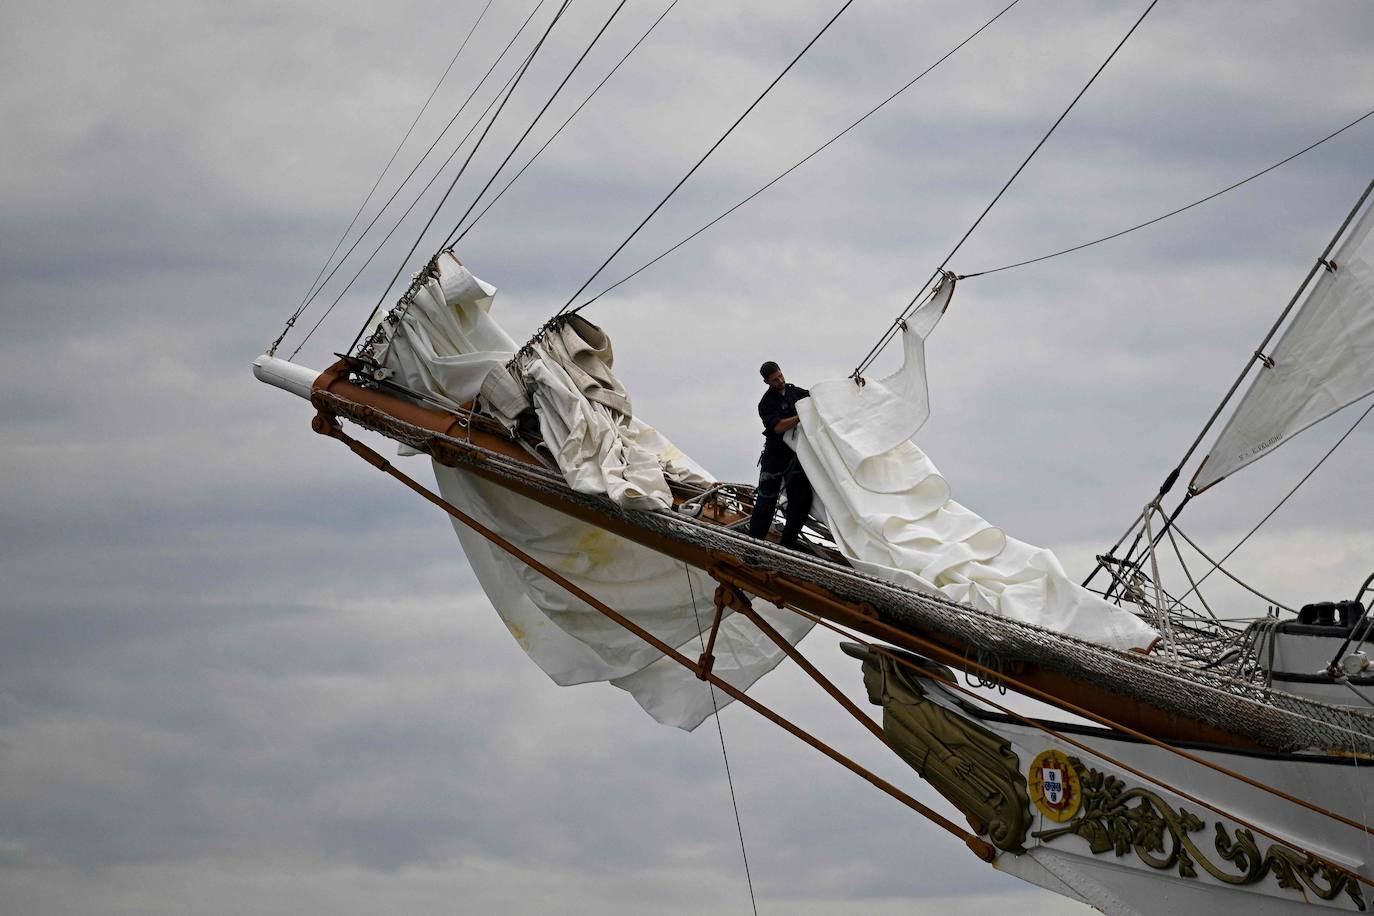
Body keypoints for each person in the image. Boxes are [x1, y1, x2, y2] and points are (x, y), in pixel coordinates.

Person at [748, 361, 814, 548]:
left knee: (802, 501)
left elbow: (818, 400)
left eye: (780, 376)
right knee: (765, 506)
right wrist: (802, 416)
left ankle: (787, 545)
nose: (780, 380)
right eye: (775, 380)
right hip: (774, 460)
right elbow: (778, 427)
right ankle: (752, 548)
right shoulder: (766, 404)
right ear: (766, 382)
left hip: (795, 459)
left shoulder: (796, 393)